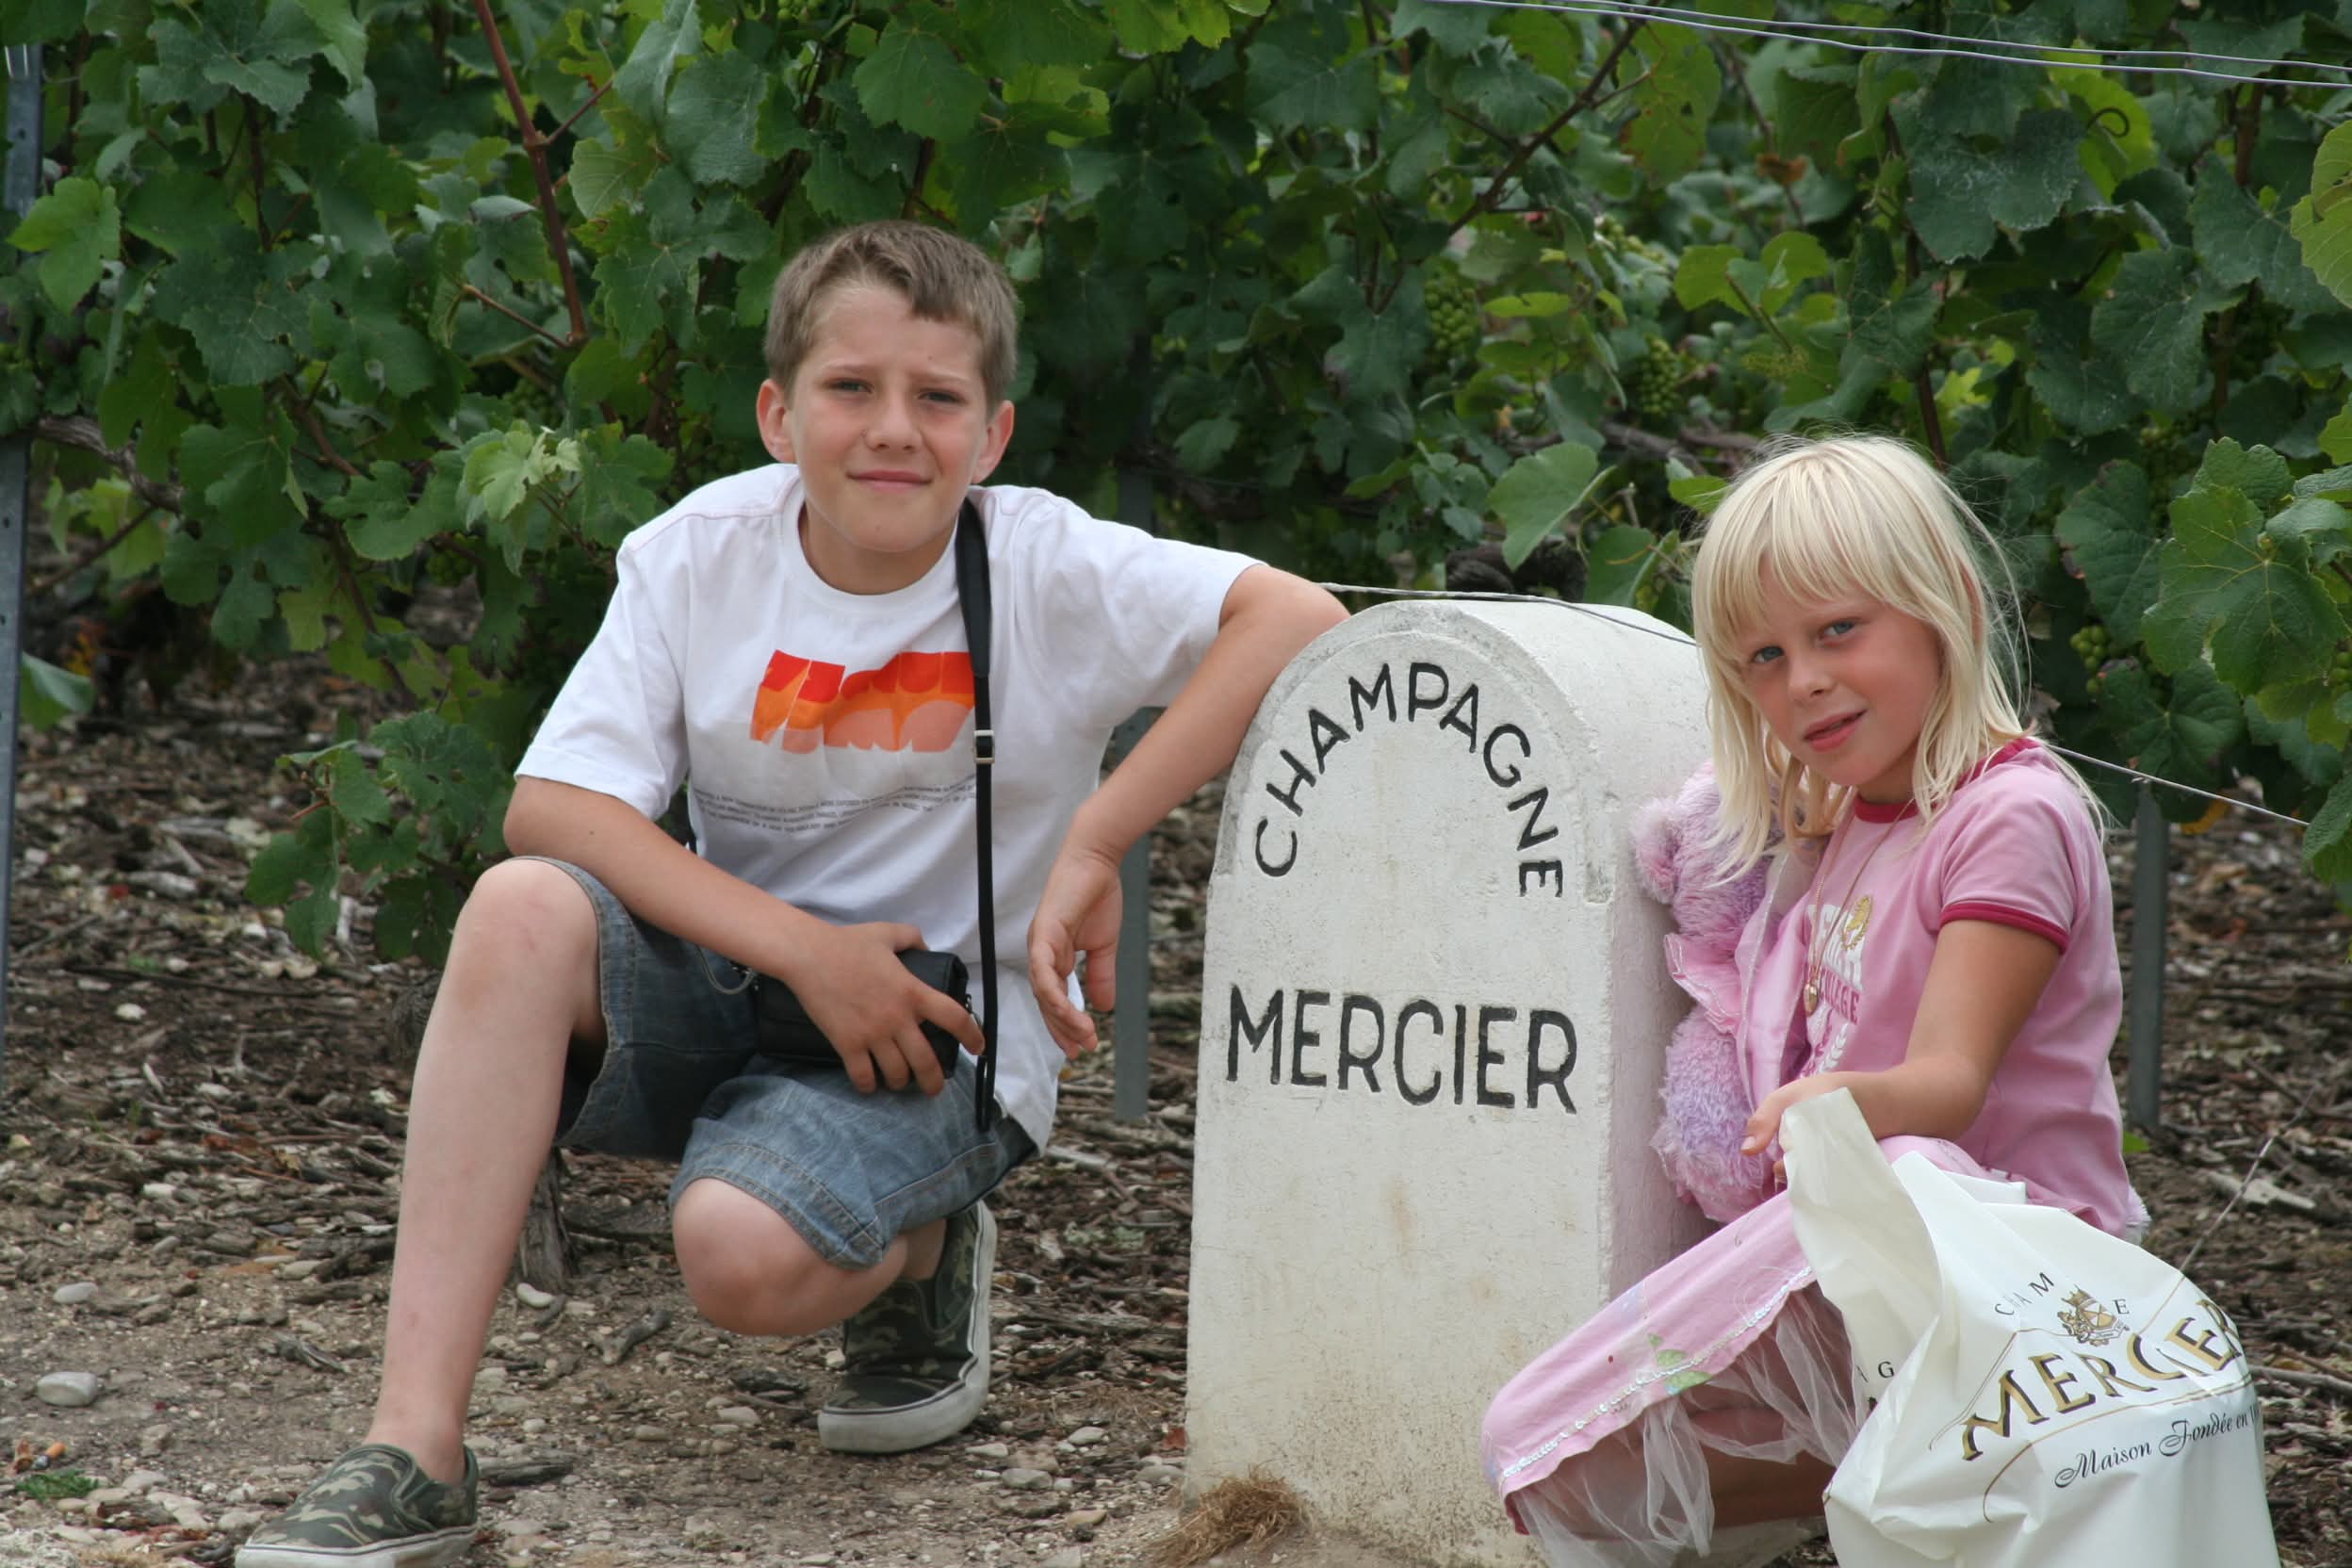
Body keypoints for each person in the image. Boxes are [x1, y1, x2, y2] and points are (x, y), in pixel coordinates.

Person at [237, 220, 1347, 1568]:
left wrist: (1100, 839)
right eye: (850, 389)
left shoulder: (1042, 566)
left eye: (938, 398)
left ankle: (928, 1251)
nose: (894, 430)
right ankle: (413, 1447)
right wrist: (806, 951)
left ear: (991, 436)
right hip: (735, 978)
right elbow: (554, 806)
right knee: (521, 905)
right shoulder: (699, 553)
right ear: (778, 413)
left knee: (737, 1262)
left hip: (938, 1034)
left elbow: (1298, 619)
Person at [1480, 434, 2146, 1568]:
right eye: (1764, 658)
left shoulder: (2010, 817)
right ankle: (1930, 1471)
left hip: (2002, 1256)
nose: (1806, 682)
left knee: (1567, 1450)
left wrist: (1834, 1101)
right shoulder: (1859, 819)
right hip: (1873, 1250)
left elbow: (1947, 1081)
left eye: (1840, 630)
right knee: (1548, 1454)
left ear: (1941, 604)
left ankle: (1994, 1451)